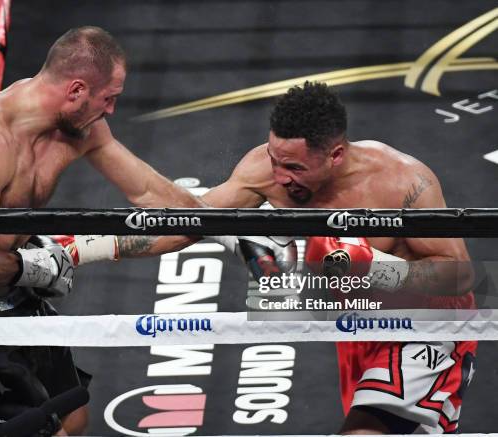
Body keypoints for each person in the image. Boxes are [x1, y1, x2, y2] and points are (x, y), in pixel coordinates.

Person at [105, 81, 477, 433]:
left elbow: (458, 279)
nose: (280, 178)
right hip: (361, 325)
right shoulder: (266, 170)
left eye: (295, 168)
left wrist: (369, 266)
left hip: (427, 326)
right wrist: (90, 247)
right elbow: (191, 221)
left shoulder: (403, 182)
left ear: (335, 155)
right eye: (275, 159)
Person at [0, 26, 202, 435]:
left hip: (16, 295)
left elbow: (154, 194)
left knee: (74, 417)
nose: (112, 110)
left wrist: (226, 227)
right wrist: (36, 269)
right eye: (108, 98)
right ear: (76, 90)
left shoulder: (81, 129)